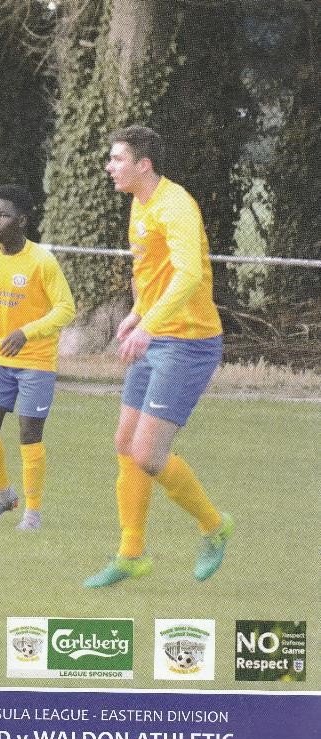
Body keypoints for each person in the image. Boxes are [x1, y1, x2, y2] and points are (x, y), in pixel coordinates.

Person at [84, 125, 234, 588]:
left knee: (148, 454)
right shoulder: (140, 202)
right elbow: (148, 270)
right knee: (125, 445)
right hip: (154, 335)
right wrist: (136, 314)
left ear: (143, 164)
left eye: (117, 159)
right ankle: (131, 554)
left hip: (187, 343)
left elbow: (189, 275)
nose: (109, 166)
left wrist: (148, 326)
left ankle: (214, 526)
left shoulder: (176, 206)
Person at [0, 184, 76, 531]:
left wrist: (26, 332)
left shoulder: (42, 261)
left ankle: (33, 513)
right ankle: (3, 496)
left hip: (37, 360)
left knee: (29, 434)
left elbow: (66, 309)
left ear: (22, 221)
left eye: (4, 215)